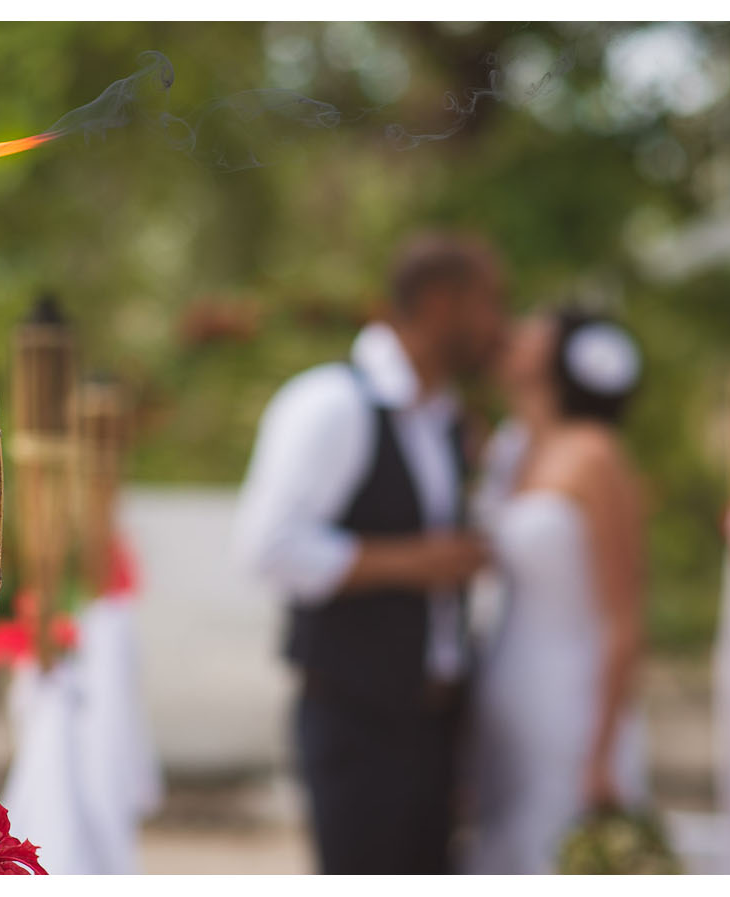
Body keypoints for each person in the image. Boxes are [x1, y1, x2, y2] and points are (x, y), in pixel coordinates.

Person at [233, 234, 506, 873]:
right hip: (358, 723)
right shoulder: (332, 404)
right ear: (441, 305)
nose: (499, 324)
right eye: (490, 303)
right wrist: (420, 562)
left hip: (435, 725)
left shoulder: (445, 416)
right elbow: (268, 549)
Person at [464, 310, 655, 873]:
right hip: (504, 688)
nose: (513, 333)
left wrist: (601, 751)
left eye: (532, 331)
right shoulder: (510, 446)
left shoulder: (597, 454)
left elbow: (624, 616)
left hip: (571, 701)